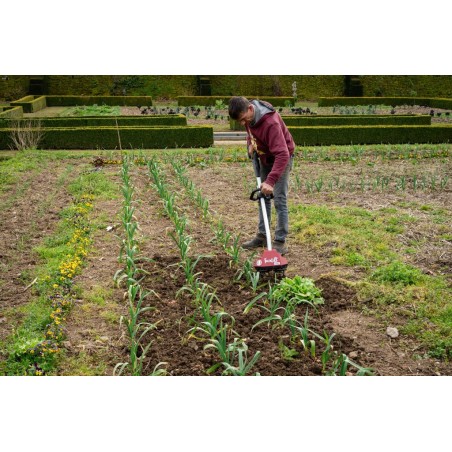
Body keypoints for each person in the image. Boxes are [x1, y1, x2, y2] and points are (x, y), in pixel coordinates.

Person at [228, 96, 295, 255]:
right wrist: (250, 144)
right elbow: (250, 132)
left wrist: (270, 181)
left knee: (279, 199)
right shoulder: (249, 117)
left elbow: (283, 154)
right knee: (262, 197)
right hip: (265, 156)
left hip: (281, 158)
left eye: (243, 119)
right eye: (240, 121)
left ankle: (280, 240)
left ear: (250, 109)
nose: (243, 123)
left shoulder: (270, 122)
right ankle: (263, 235)